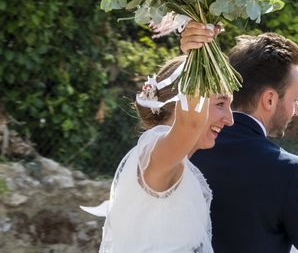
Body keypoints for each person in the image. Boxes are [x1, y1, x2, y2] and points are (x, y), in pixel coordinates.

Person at [182, 22, 298, 253]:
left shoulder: (186, 148)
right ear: (269, 99)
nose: (297, 110)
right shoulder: (288, 172)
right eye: (295, 99)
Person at [82, 55, 234, 253]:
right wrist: (199, 50)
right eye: (220, 104)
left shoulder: (174, 163)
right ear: (183, 103)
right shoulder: (156, 153)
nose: (230, 119)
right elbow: (189, 125)